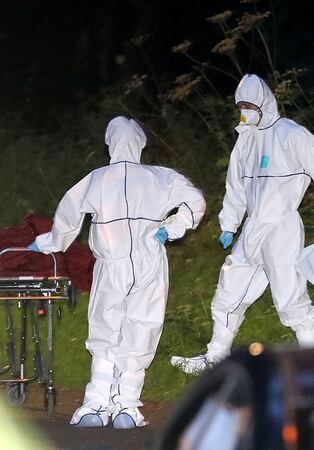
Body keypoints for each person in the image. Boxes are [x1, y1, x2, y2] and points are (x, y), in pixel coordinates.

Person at [28, 116, 206, 428]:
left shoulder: (97, 178)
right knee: (142, 328)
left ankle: (96, 404)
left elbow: (68, 216)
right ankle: (127, 406)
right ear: (140, 143)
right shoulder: (160, 177)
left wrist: (49, 243)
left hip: (113, 264)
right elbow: (196, 201)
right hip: (150, 261)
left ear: (110, 143)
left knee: (105, 328)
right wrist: (172, 228)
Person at [171, 74, 314, 374]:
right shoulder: (246, 140)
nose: (245, 111)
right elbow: (236, 186)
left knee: (289, 296)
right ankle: (215, 357)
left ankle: (313, 362)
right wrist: (229, 223)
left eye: (250, 105)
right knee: (229, 289)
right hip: (252, 231)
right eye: (241, 105)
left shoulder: (292, 135)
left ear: (265, 102)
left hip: (281, 229)